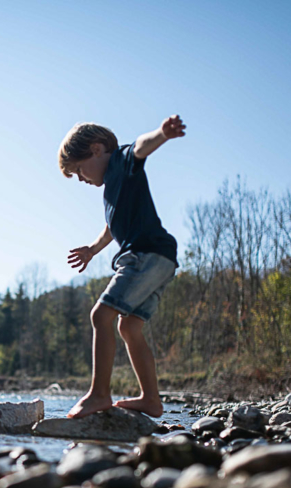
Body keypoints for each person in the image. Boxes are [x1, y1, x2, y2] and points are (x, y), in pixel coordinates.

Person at [59, 116, 186, 418]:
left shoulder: (121, 162)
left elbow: (141, 147)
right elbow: (110, 227)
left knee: (101, 315)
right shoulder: (112, 190)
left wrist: (162, 134)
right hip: (162, 258)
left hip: (145, 254)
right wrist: (92, 249)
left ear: (97, 149)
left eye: (78, 170)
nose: (81, 179)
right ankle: (151, 400)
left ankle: (99, 394)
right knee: (128, 326)